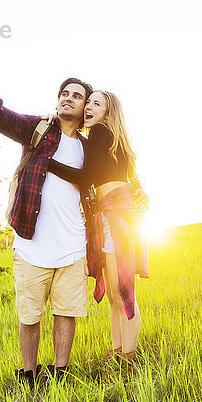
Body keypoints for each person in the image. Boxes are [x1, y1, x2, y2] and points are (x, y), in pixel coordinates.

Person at [0, 37, 93, 387]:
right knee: (30, 314)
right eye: (64, 93)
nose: (67, 98)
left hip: (72, 246)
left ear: (85, 108)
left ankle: (61, 372)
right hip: (30, 244)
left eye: (76, 95)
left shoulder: (88, 147)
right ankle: (29, 374)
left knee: (66, 312)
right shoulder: (38, 129)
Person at [47, 90, 149, 362]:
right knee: (117, 294)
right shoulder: (112, 138)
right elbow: (128, 181)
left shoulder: (101, 132)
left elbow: (86, 177)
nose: (89, 107)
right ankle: (118, 352)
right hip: (114, 216)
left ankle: (129, 357)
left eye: (96, 103)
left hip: (115, 217)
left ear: (108, 111)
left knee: (123, 292)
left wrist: (47, 162)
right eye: (88, 102)